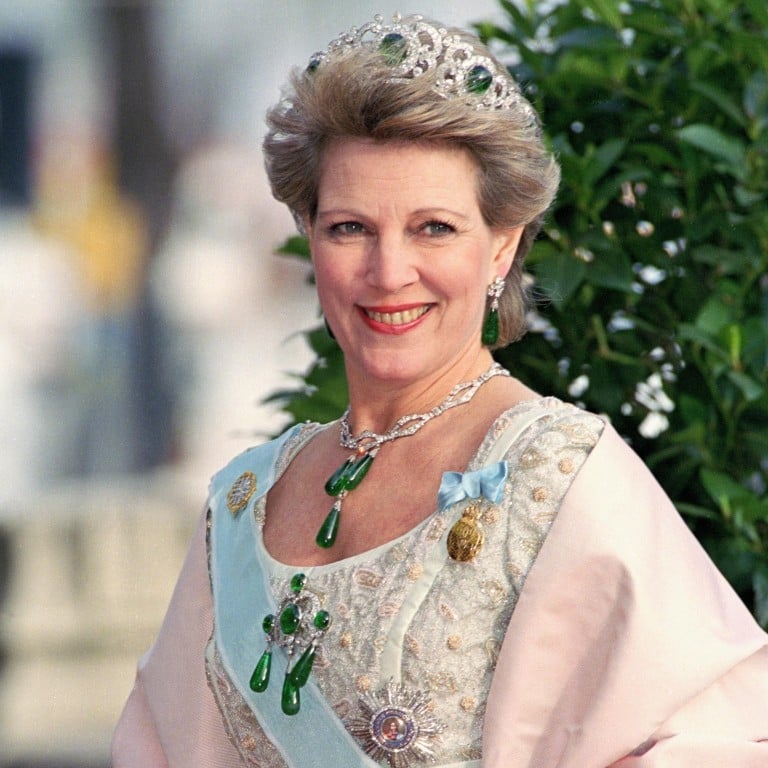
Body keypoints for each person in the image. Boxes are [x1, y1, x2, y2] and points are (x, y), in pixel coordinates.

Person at [112, 13, 768, 767]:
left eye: (433, 228)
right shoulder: (242, 500)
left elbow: (723, 743)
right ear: (308, 234)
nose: (389, 273)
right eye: (351, 228)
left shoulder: (563, 476)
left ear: (503, 243)